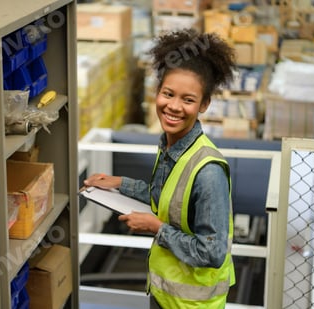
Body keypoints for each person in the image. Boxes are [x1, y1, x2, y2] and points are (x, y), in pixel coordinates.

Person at [83, 28, 236, 308]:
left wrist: (156, 227)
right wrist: (117, 183)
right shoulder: (170, 146)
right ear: (158, 93)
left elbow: (213, 251)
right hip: (165, 294)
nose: (174, 107)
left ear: (204, 104)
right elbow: (163, 196)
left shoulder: (208, 171)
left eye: (188, 100)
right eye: (168, 94)